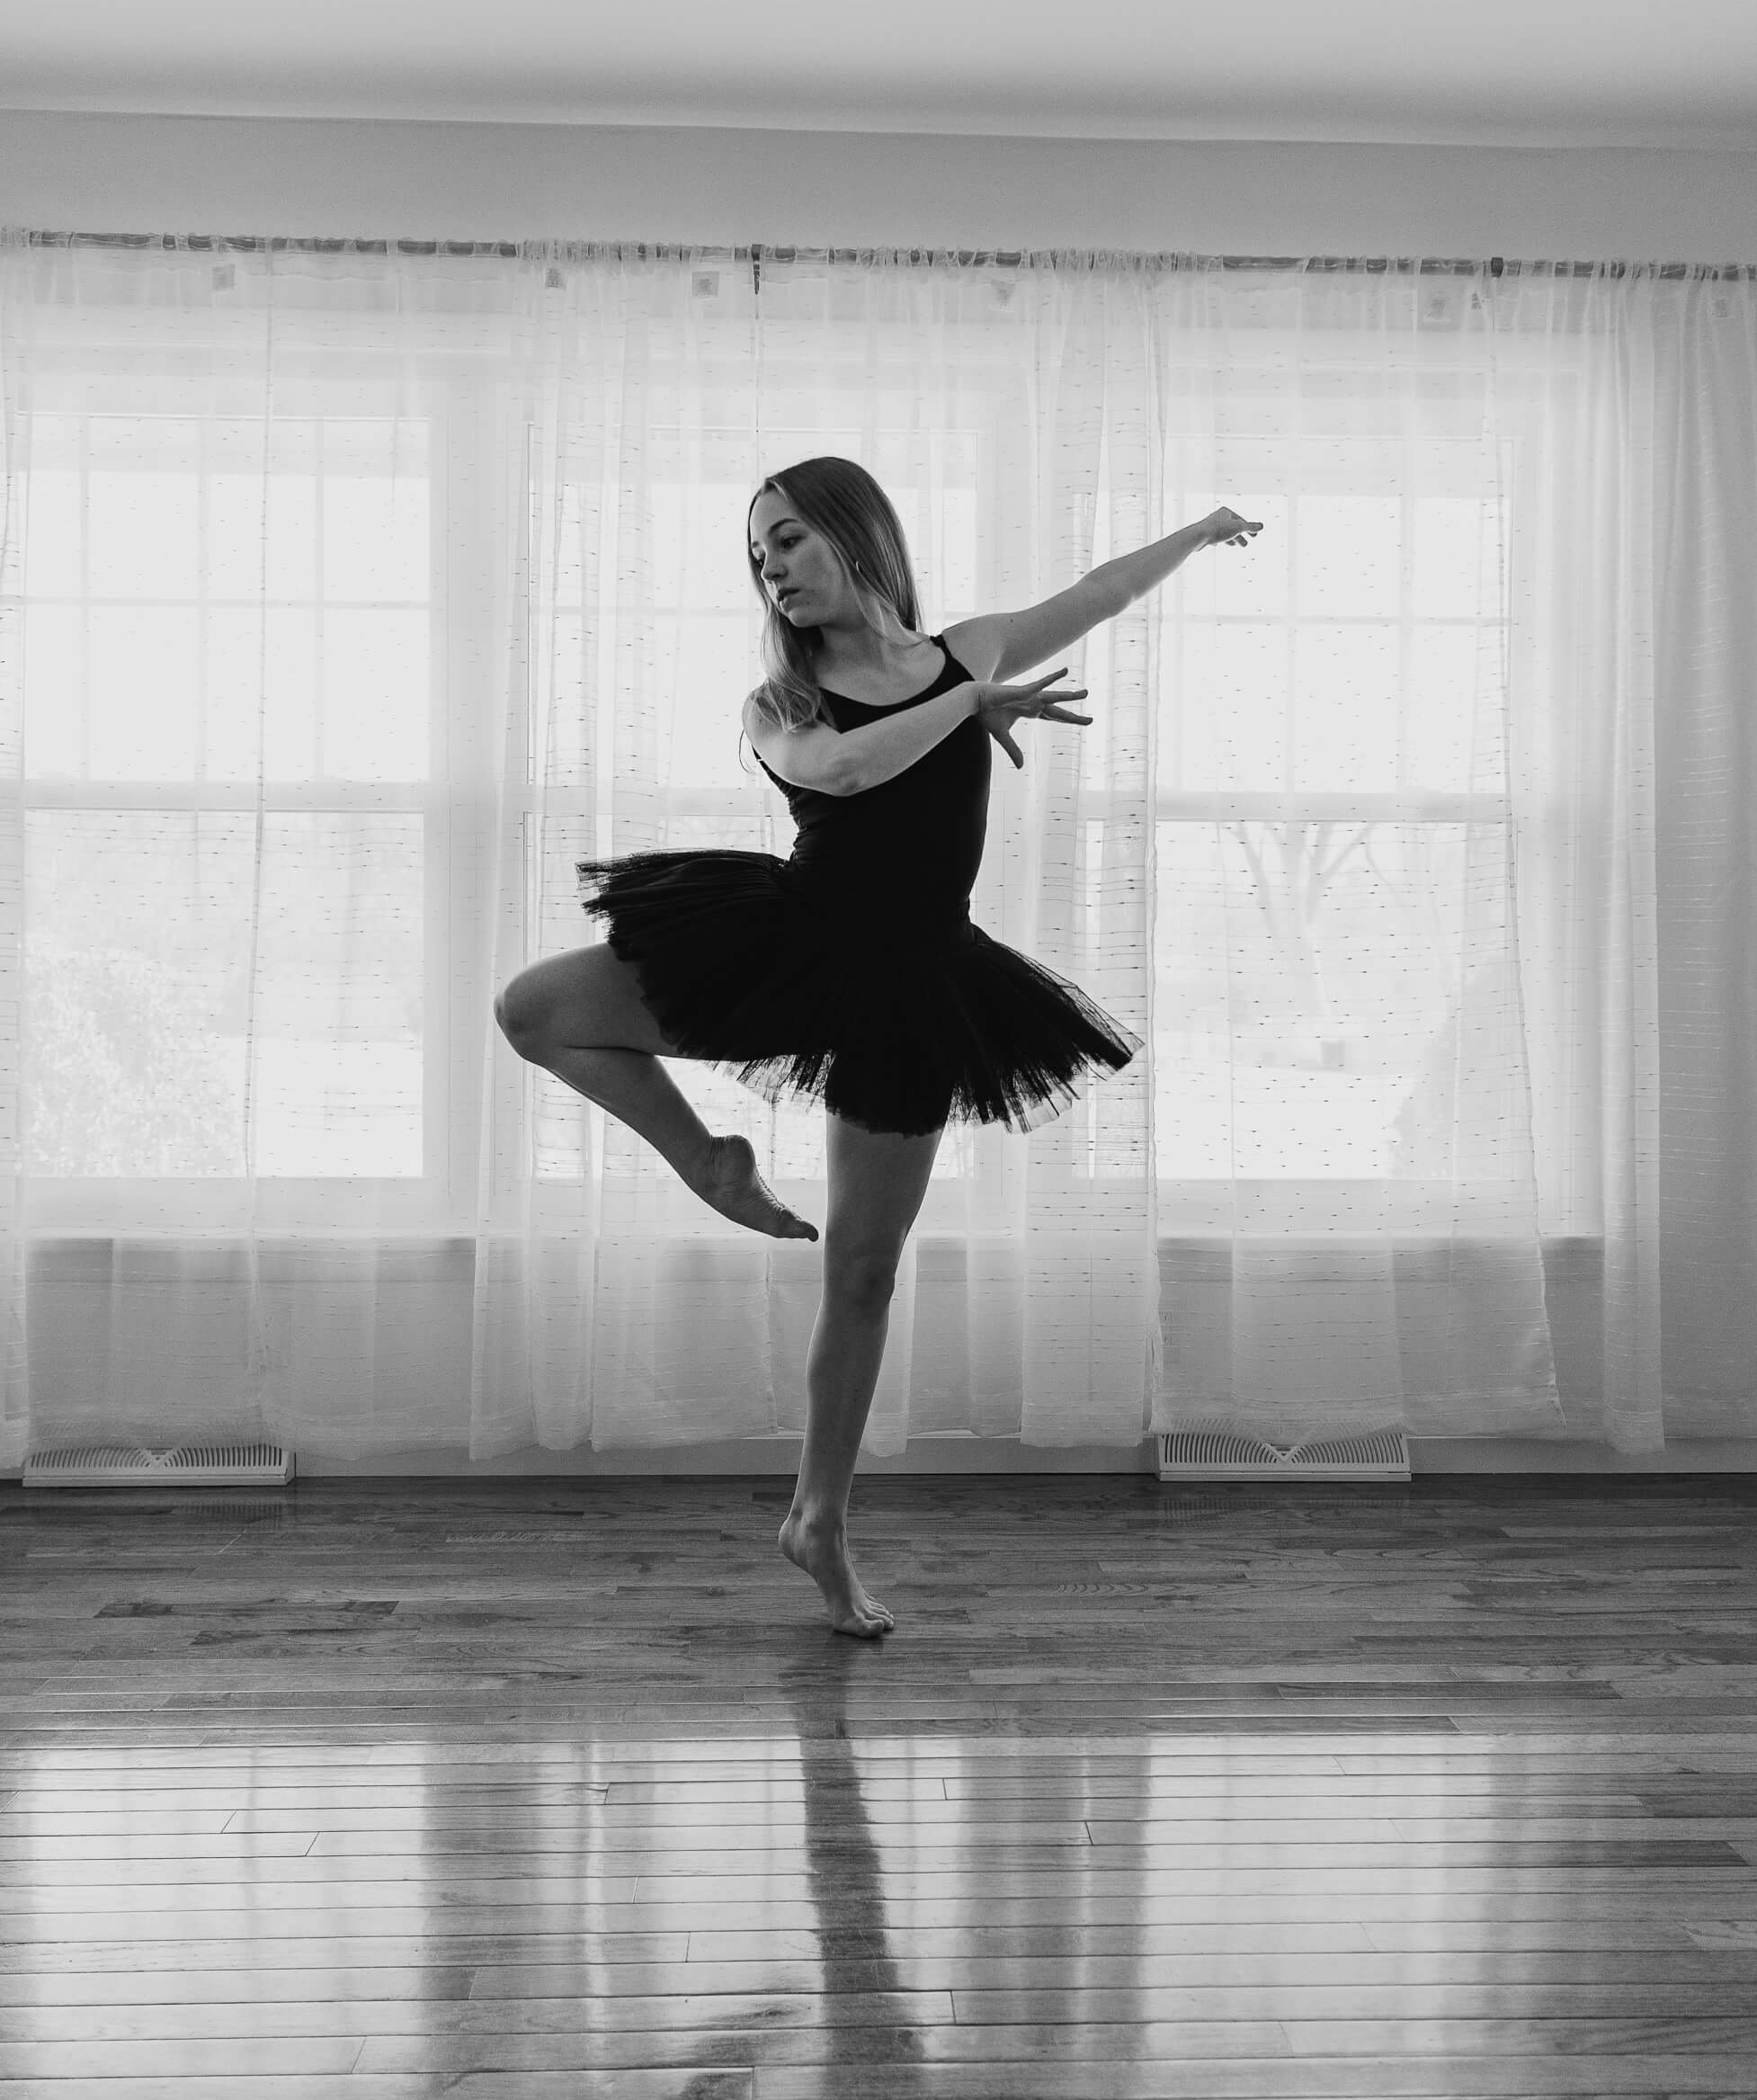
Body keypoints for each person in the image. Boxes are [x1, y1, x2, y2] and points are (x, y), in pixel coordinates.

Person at [494, 459, 1260, 1636]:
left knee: (862, 1273)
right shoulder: (783, 704)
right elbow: (846, 769)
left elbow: (1100, 589)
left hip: (916, 983)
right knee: (535, 1007)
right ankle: (709, 1164)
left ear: (856, 533)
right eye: (760, 555)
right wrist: (970, 706)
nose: (775, 568)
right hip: (790, 949)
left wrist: (1199, 531)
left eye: (790, 539)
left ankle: (820, 1522)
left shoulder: (973, 647)